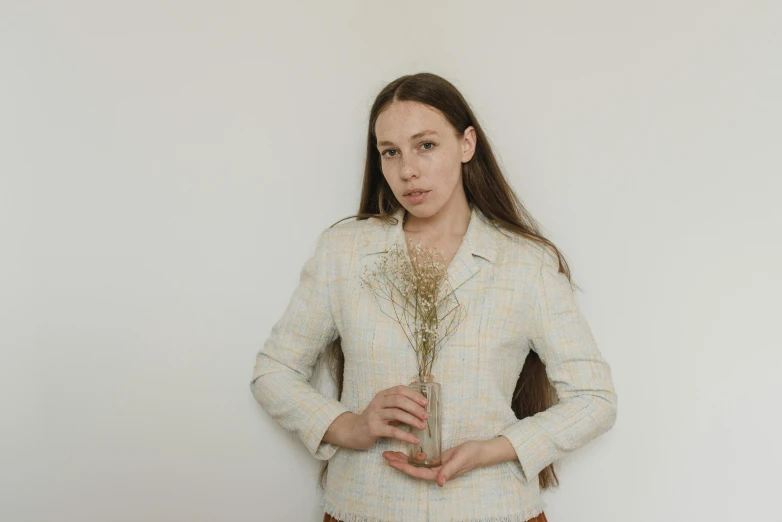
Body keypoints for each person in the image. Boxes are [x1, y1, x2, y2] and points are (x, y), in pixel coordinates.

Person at [250, 72, 618, 522]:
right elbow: (274, 370)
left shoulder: (524, 263)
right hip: (366, 506)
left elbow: (594, 399)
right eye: (391, 152)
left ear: (466, 144)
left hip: (492, 508)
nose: (408, 170)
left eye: (426, 145)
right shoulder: (345, 252)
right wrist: (350, 426)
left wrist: (493, 450)